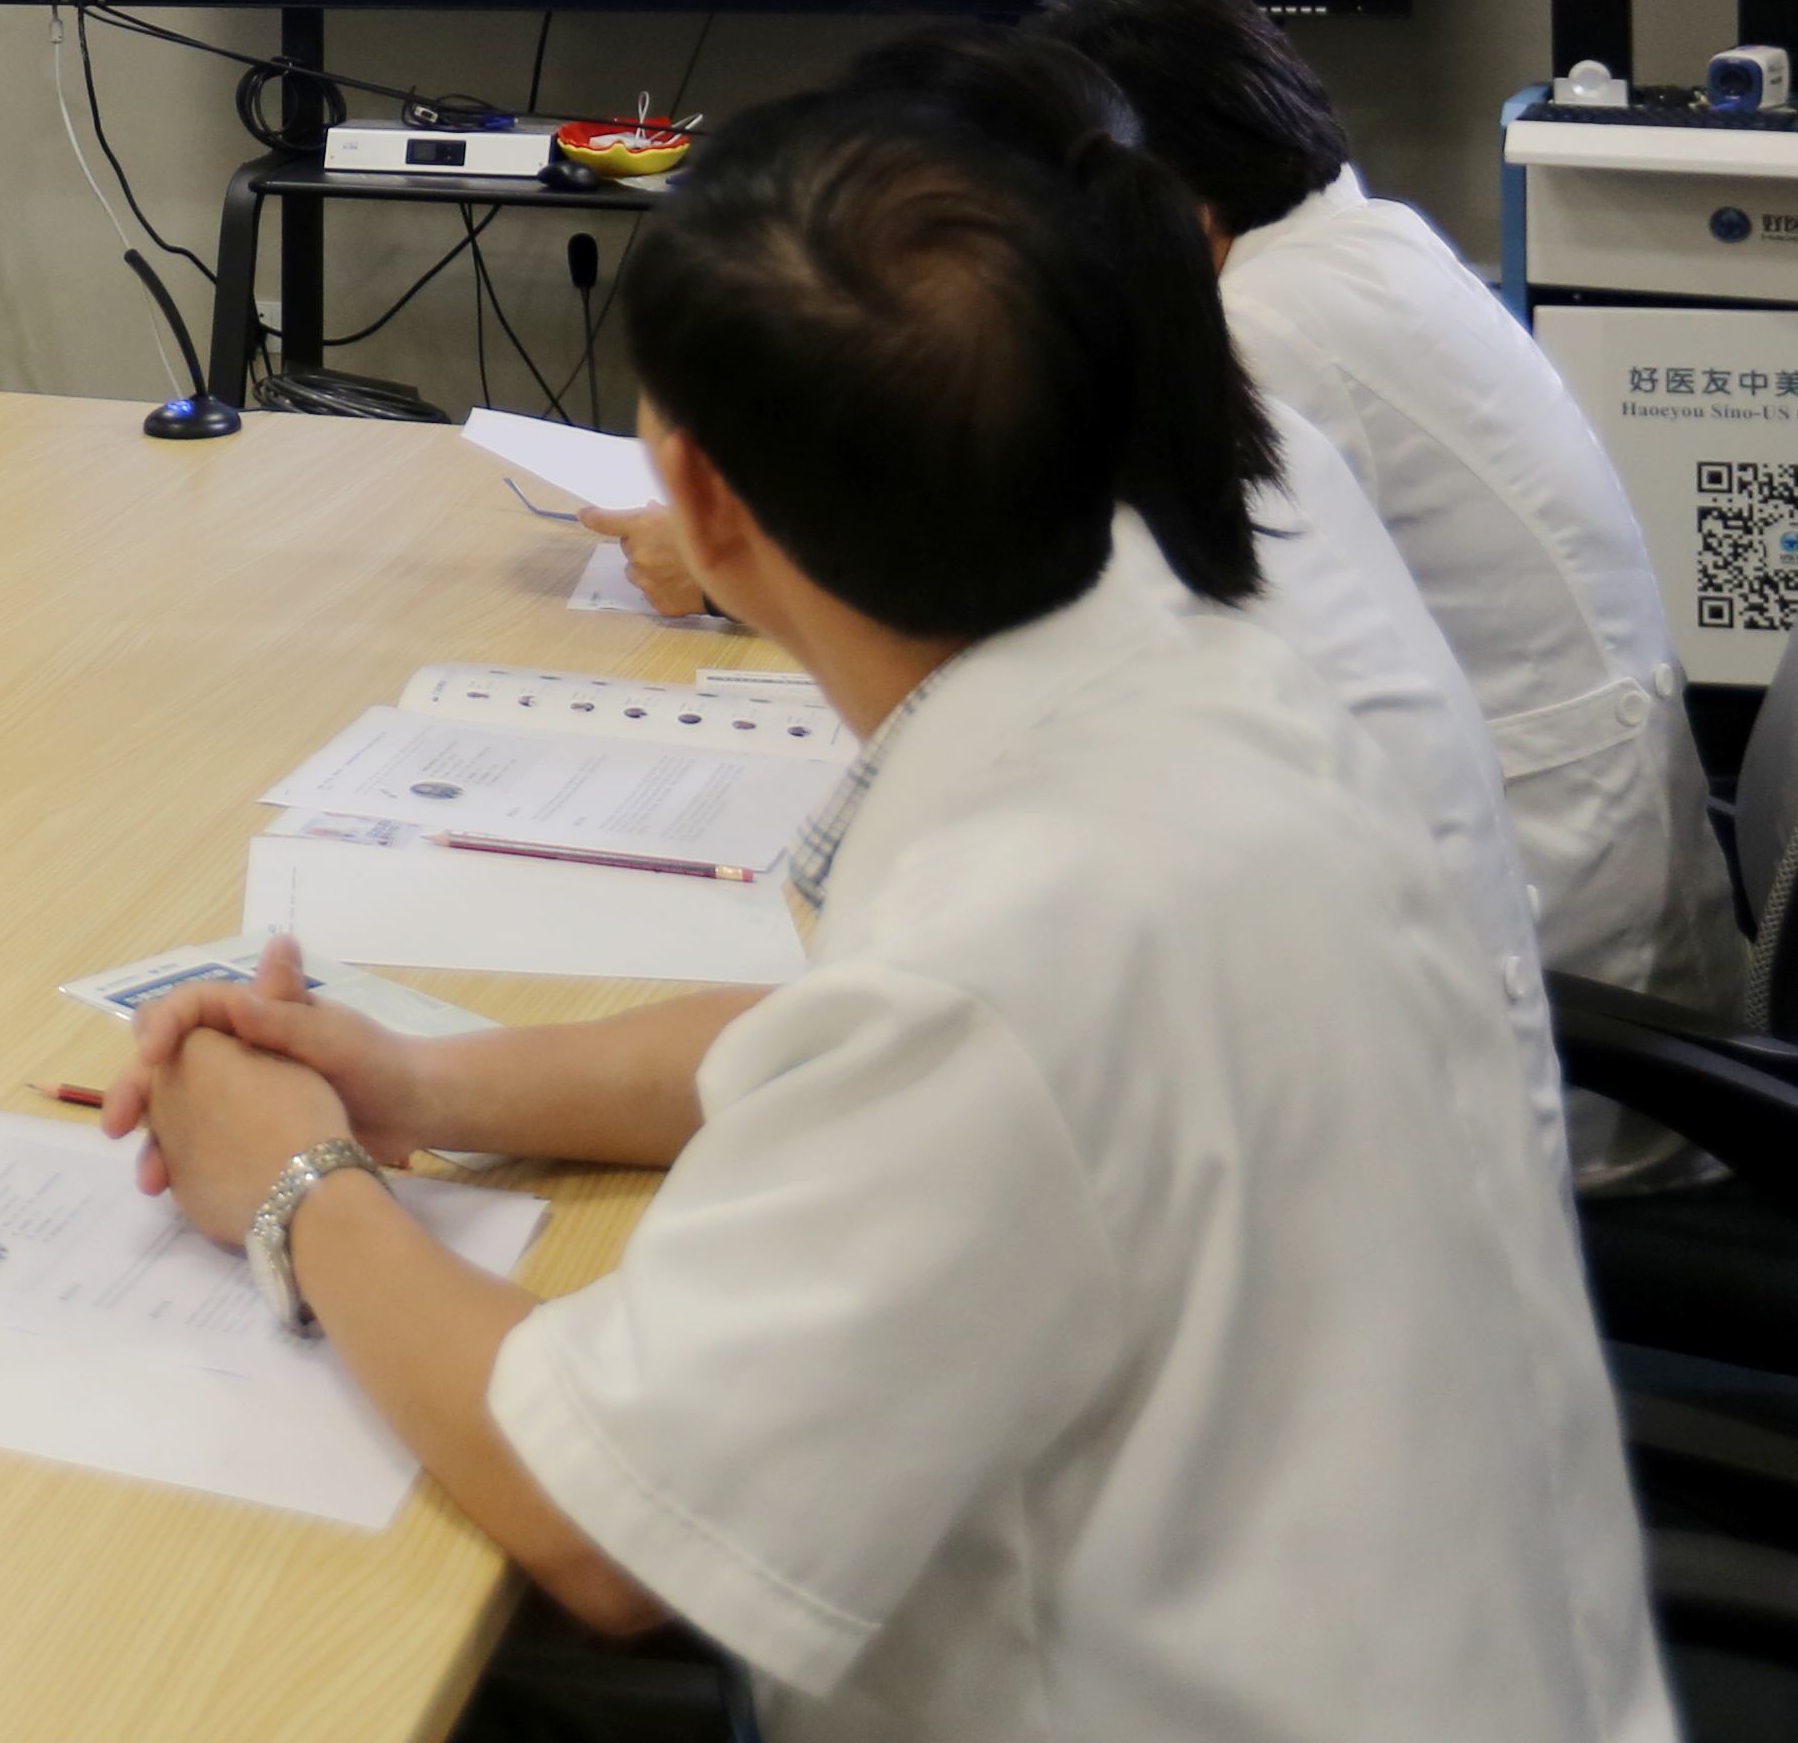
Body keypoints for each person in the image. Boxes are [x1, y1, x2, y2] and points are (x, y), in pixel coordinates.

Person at [103, 87, 1660, 1743]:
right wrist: (418, 1080)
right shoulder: (1181, 663)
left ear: (698, 501)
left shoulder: (1019, 933)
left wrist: (296, 1187)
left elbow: (602, 1519)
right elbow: (854, 1047)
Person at [579, 23, 1561, 1162]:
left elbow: (899, 1056)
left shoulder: (1043, 837)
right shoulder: (1181, 476)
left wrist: (343, 1160)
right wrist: (430, 1083)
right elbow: (835, 1054)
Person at [1031, 0, 1746, 1171]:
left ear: (1164, 197)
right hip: (1569, 907)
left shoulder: (1271, 331)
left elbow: (1114, 626)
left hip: (1555, 1008)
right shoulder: (1366, 250)